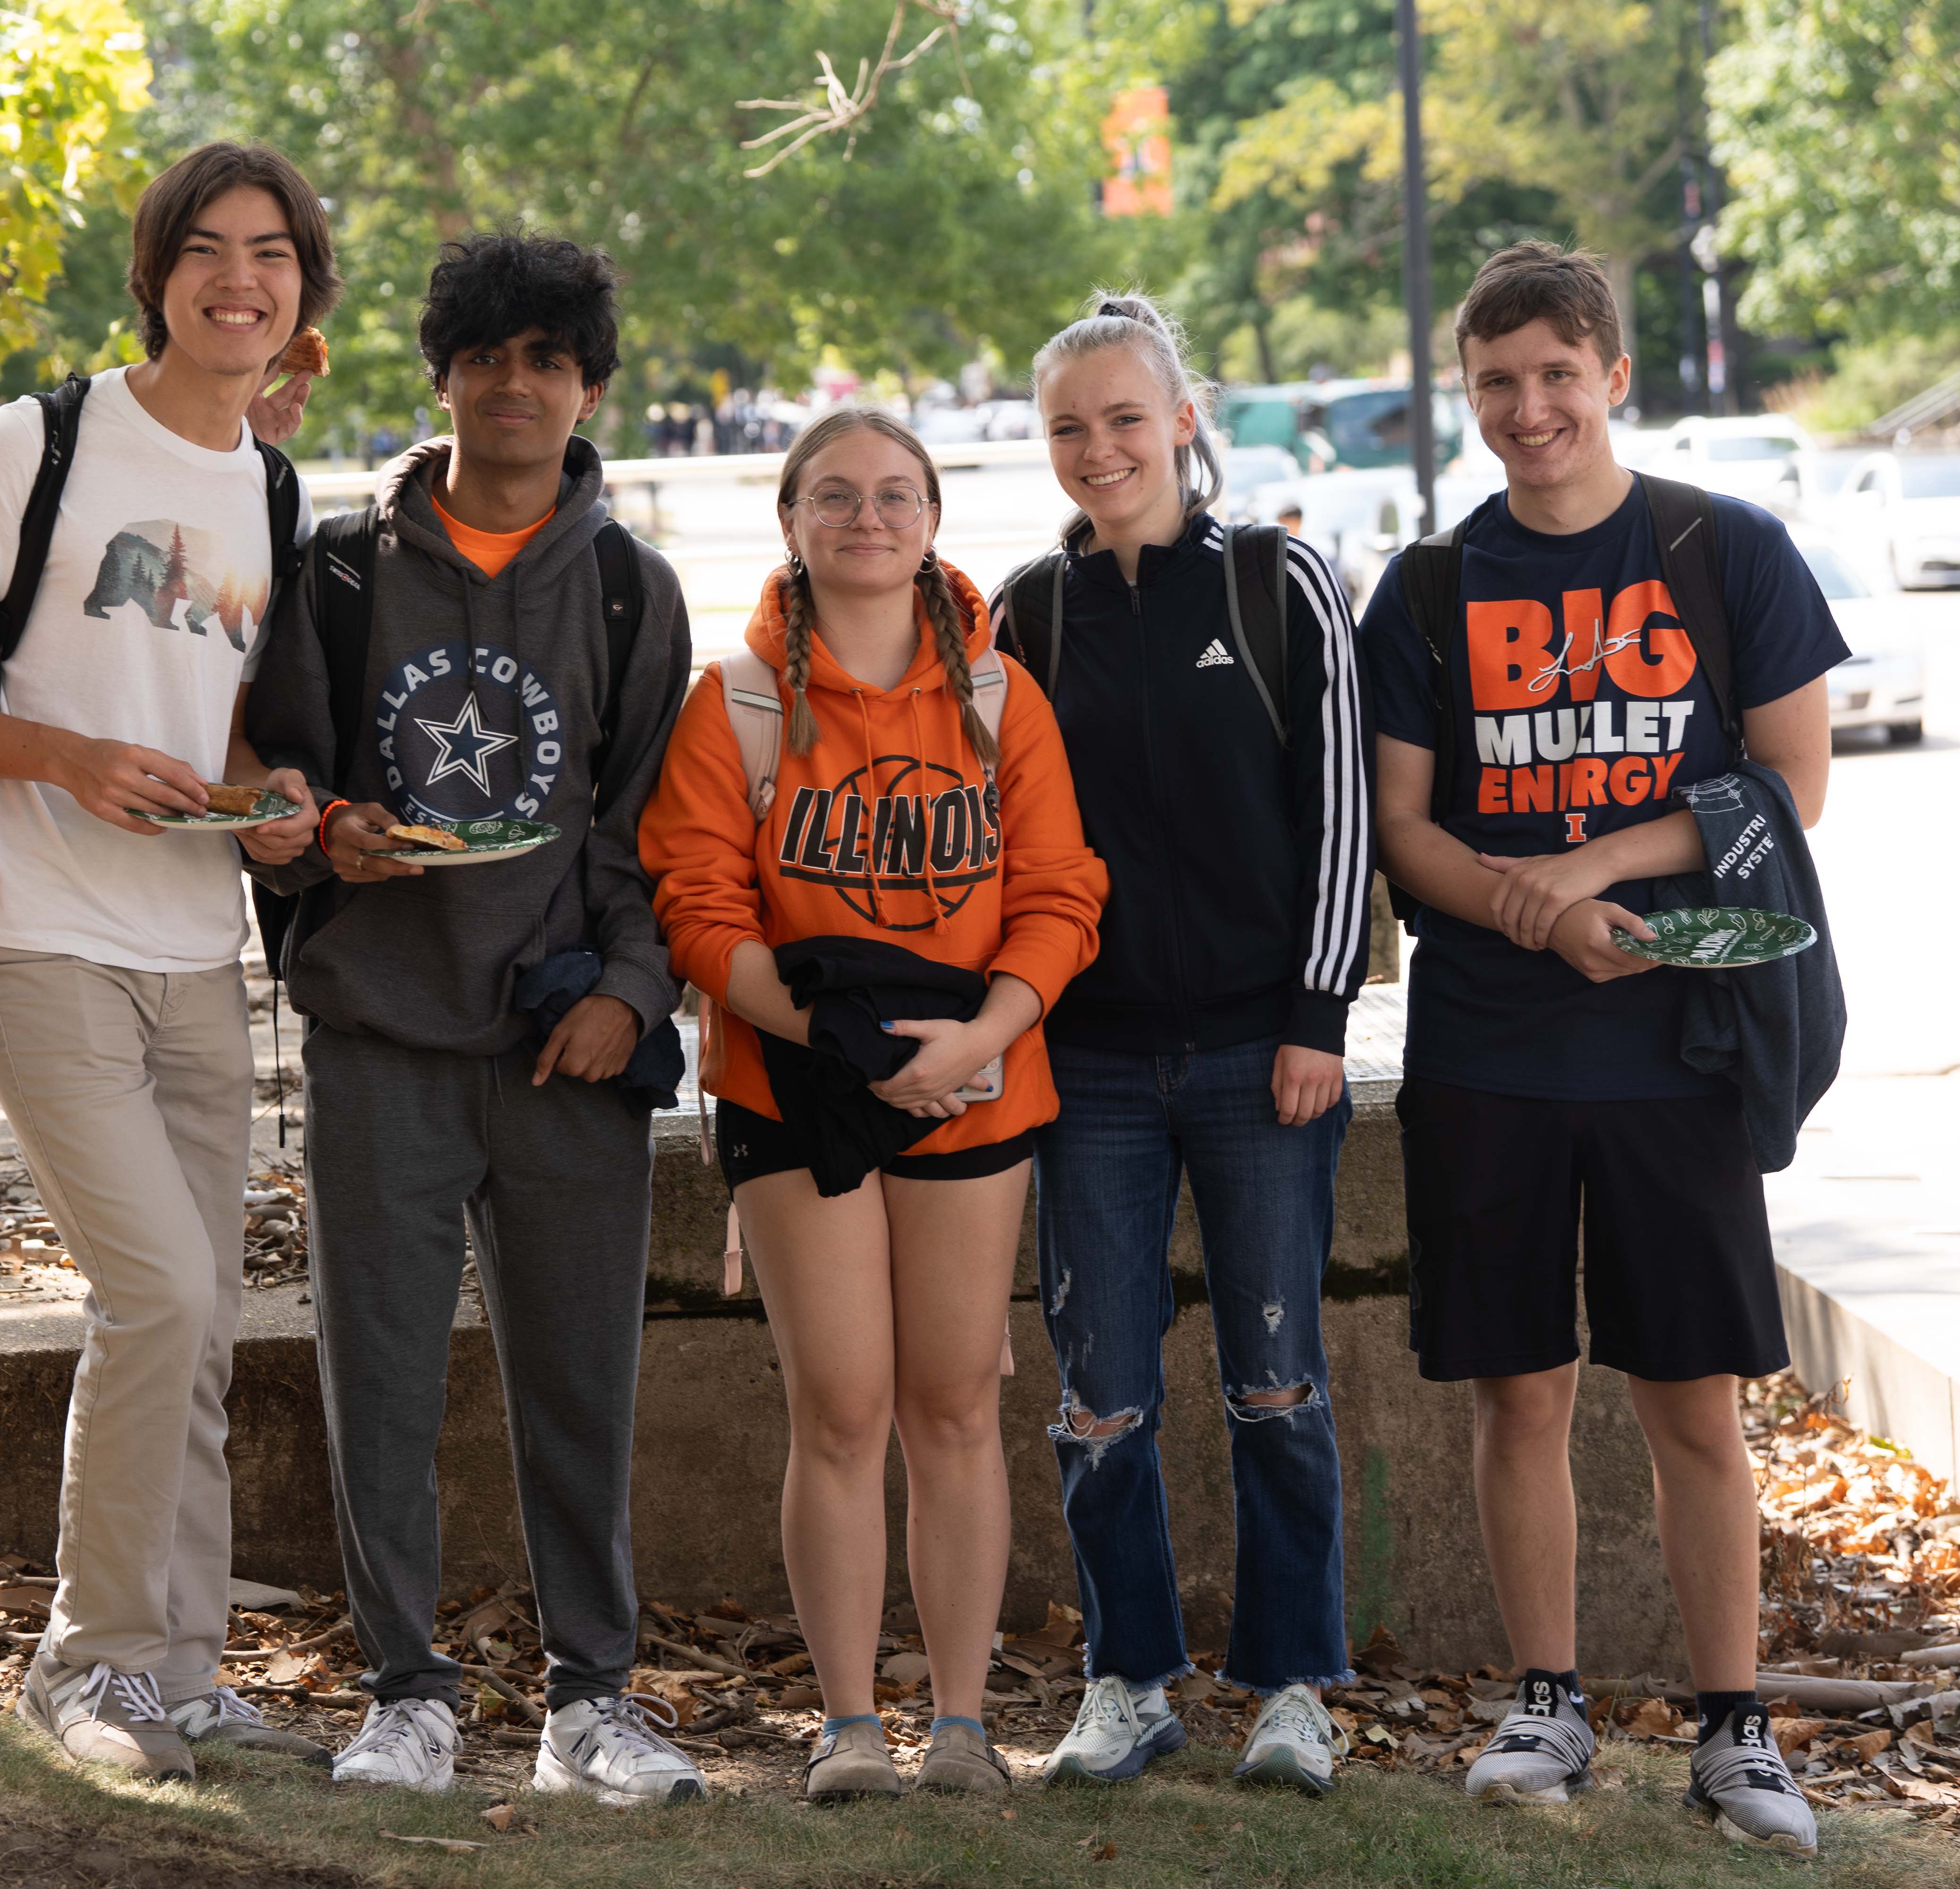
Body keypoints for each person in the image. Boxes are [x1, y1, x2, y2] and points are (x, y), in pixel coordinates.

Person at [1362, 241, 1842, 1857]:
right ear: (1471, 394)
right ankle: (1546, 1701)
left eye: (1558, 375)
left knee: (1695, 1401)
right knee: (1520, 1396)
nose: (1529, 408)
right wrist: (1535, 916)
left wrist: (1598, 868)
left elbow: (1790, 794)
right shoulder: (1431, 587)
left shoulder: (1727, 548)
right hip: (1495, 1047)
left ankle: (1735, 1725)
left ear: (1615, 375)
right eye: (1498, 383)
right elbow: (1403, 834)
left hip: (1682, 1042)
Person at [0, 142, 336, 1782]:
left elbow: (219, 725)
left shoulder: (273, 490)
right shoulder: (43, 439)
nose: (240, 278)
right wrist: (65, 758)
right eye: (207, 250)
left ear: (303, 289)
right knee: (156, 1288)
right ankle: (89, 1667)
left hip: (194, 941)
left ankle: (185, 1667)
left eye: (270, 253)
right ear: (156, 274)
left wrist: (270, 803)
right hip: (40, 927)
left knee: (202, 1315)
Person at [243, 232, 706, 1804]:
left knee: (582, 1378)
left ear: (589, 389)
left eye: (549, 361)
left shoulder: (636, 594)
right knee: (376, 1375)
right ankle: (404, 1696)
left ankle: (596, 1699)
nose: (516, 387)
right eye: (486, 356)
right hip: (382, 1034)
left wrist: (634, 993)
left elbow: (654, 833)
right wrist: (323, 832)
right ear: (440, 374)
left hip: (564, 1046)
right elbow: (278, 784)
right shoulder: (346, 572)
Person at [640, 408, 1106, 1804]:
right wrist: (833, 1041)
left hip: (975, 1081)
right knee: (840, 1404)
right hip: (799, 1087)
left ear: (932, 522)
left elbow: (1061, 893)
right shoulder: (737, 700)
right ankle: (851, 1726)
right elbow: (695, 904)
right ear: (790, 521)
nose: (866, 518)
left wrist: (985, 1028)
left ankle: (959, 1725)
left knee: (956, 1401)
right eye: (835, 497)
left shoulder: (1002, 701)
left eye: (896, 495)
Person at [990, 296, 1373, 1797]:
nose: (1100, 449)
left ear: (1185, 420)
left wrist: (1317, 1016)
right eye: (1070, 428)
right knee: (1100, 1390)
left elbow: (1342, 806)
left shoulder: (1282, 584)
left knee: (1278, 1375)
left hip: (1260, 1056)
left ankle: (1293, 1684)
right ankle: (1126, 1678)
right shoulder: (1030, 613)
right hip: (1087, 1068)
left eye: (1124, 418)